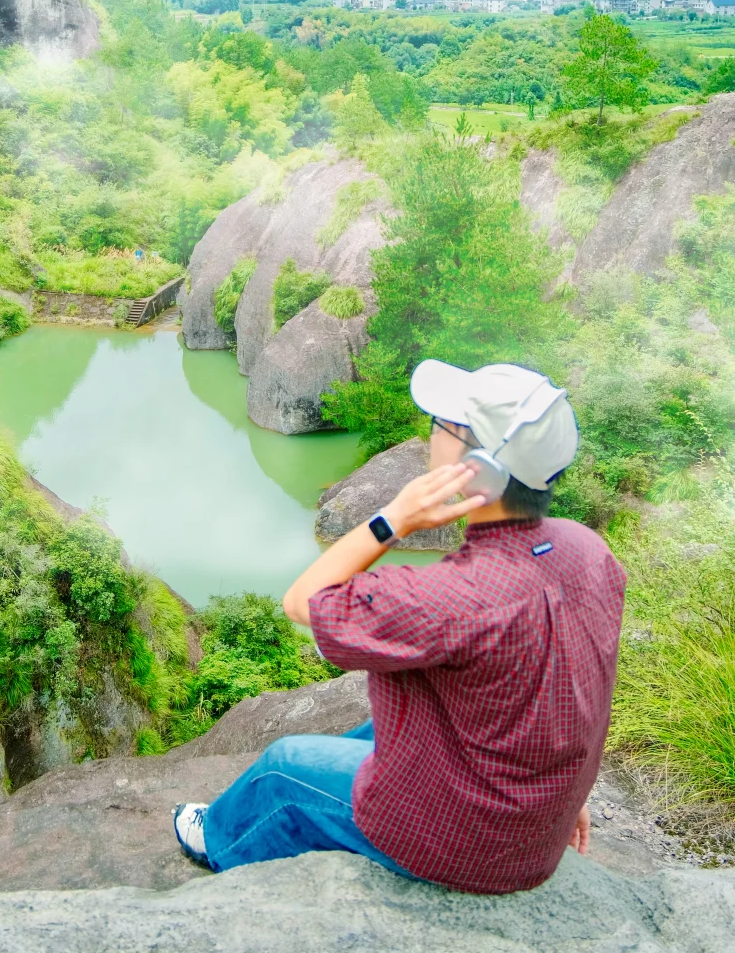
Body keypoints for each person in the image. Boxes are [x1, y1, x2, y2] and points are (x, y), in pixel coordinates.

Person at [173, 360, 627, 895]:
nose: (430, 433)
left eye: (443, 427)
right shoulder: (588, 551)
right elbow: (582, 686)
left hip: (466, 847)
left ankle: (218, 840)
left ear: (475, 468)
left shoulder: (449, 598)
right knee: (374, 730)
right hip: (536, 827)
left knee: (281, 770)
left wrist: (394, 518)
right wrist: (569, 795)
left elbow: (302, 602)